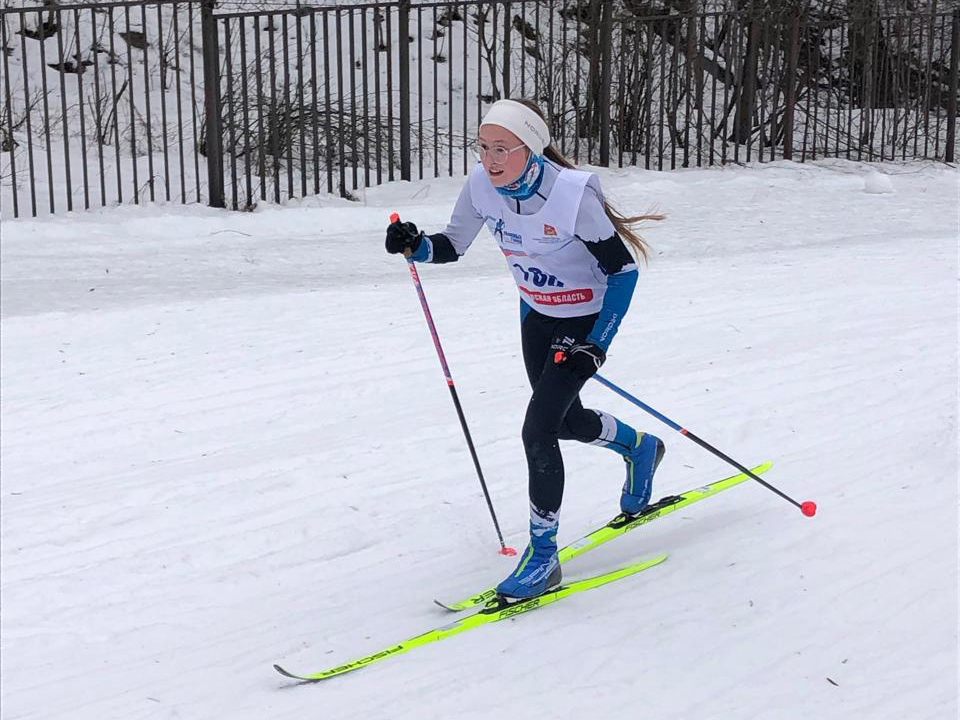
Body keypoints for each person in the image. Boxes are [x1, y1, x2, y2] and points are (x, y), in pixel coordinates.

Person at [385, 98, 665, 601]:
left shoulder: (571, 196)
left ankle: (542, 556)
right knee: (564, 422)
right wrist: (415, 244)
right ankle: (640, 448)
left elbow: (622, 272)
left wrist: (596, 345)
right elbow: (451, 244)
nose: (490, 160)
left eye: (502, 149)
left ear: (531, 148)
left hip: (583, 318)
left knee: (537, 431)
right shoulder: (480, 186)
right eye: (483, 147)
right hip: (536, 316)